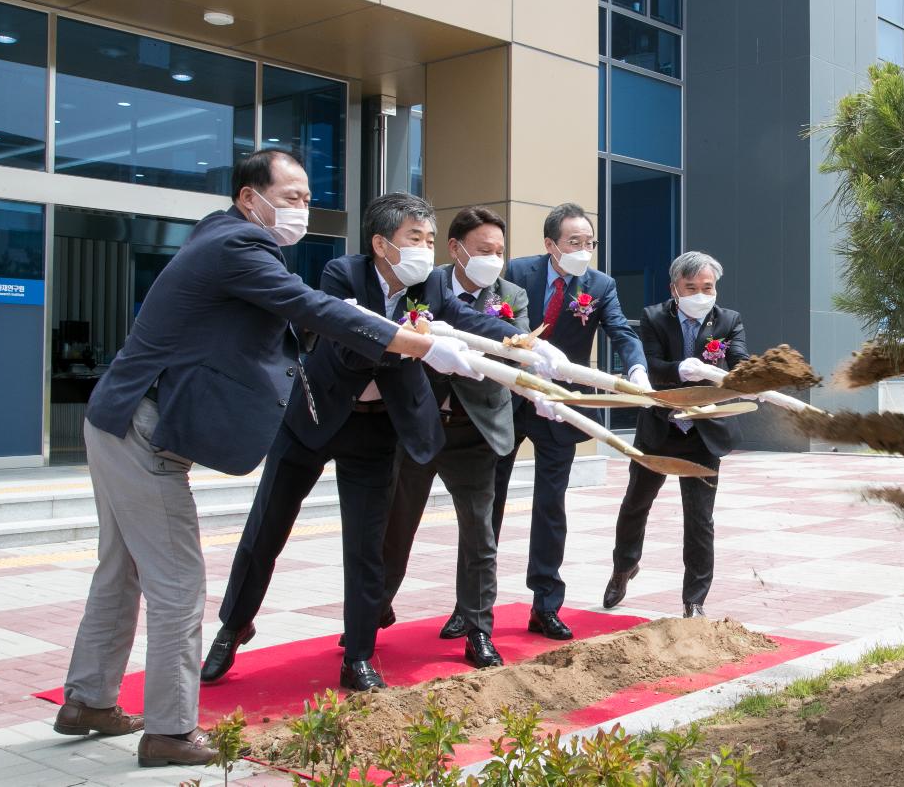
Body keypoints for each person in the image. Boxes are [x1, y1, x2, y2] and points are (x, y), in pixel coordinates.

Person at [55, 152, 479, 767]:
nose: (302, 208)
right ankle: (170, 731)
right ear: (250, 198)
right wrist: (417, 343)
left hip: (122, 416)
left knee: (120, 570)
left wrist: (491, 348)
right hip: (141, 429)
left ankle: (88, 700)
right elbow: (313, 309)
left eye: (309, 197)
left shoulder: (222, 237)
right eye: (291, 195)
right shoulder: (239, 248)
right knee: (177, 583)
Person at [200, 195, 560, 691]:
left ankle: (359, 655)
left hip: (377, 428)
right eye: (416, 238)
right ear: (381, 243)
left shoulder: (432, 285)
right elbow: (348, 347)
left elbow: (471, 320)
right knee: (267, 530)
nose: (425, 249)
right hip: (314, 417)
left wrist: (526, 346)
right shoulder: (341, 274)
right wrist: (421, 344)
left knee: (368, 546)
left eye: (431, 240)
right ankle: (232, 626)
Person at [379, 206, 539, 668]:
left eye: (499, 251)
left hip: (477, 429)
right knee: (396, 525)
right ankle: (374, 607)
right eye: (483, 250)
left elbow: (513, 352)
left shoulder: (512, 295)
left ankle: (477, 628)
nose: (493, 258)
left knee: (479, 535)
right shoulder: (422, 284)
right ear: (455, 249)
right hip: (421, 423)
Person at [489, 202, 648, 640]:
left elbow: (621, 332)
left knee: (550, 504)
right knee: (489, 500)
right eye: (574, 242)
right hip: (512, 396)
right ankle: (475, 605)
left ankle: (545, 603)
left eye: (589, 242)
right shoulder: (517, 273)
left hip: (560, 406)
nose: (583, 249)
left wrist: (635, 369)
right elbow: (493, 323)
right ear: (550, 245)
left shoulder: (600, 285)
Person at [603, 252, 749, 617]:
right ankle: (623, 568)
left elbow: (741, 365)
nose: (700, 294)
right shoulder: (654, 317)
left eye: (707, 287)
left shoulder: (729, 321)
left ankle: (694, 601)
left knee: (700, 519)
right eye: (691, 288)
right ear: (675, 288)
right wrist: (679, 370)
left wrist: (749, 380)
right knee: (636, 503)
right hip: (660, 427)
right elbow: (649, 365)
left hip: (704, 434)